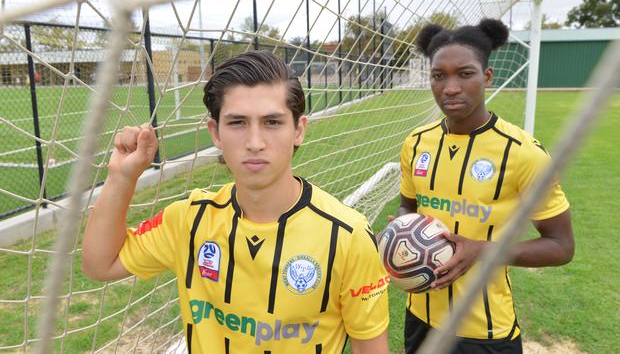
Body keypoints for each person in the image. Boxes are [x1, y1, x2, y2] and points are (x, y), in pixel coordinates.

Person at [81, 50, 389, 354]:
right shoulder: (189, 220)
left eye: (272, 122)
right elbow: (100, 264)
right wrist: (121, 178)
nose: (255, 143)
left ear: (298, 130)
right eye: (238, 123)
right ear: (215, 132)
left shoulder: (348, 237)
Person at [397, 19, 575, 353]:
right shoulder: (415, 144)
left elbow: (561, 246)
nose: (450, 87)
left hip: (485, 331)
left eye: (465, 74)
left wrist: (483, 251)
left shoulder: (523, 153)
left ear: (487, 77)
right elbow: (408, 206)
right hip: (420, 318)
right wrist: (400, 230)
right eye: (439, 75)